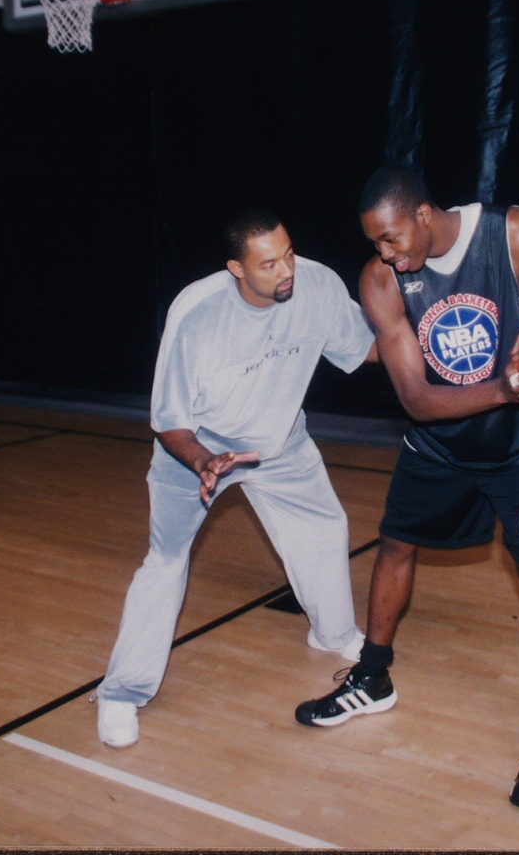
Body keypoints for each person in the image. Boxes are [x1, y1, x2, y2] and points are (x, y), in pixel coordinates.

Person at [295, 166, 519, 811]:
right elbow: (418, 400)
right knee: (394, 547)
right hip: (440, 444)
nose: (385, 253)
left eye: (391, 238)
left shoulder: (515, 235)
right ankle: (373, 676)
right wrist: (504, 385)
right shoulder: (381, 280)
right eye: (375, 243)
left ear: (423, 214)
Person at [96, 209, 377, 749]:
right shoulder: (197, 313)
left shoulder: (317, 284)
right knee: (164, 563)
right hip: (200, 450)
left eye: (288, 252)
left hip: (281, 442)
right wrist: (203, 460)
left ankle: (335, 633)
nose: (286, 269)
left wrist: (425, 339)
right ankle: (122, 693)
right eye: (268, 263)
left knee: (324, 526)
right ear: (236, 269)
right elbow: (169, 421)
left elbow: (364, 345)